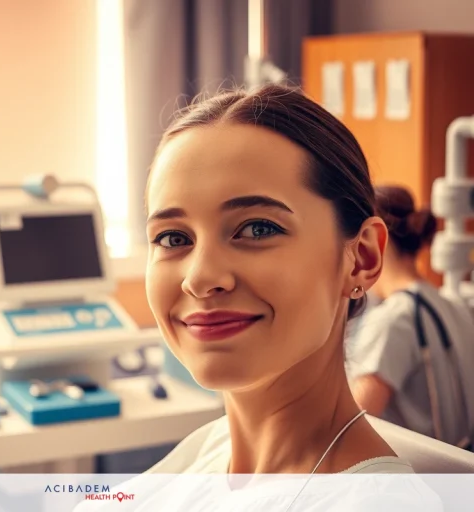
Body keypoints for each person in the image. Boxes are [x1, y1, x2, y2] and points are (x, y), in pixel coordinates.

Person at [76, 84, 443, 512]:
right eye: (173, 237)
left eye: (257, 229)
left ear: (360, 258)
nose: (200, 278)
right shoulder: (213, 451)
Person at [348, 185, 474, 448]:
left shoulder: (394, 320)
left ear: (371, 239)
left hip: (414, 480)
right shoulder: (454, 307)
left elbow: (349, 428)